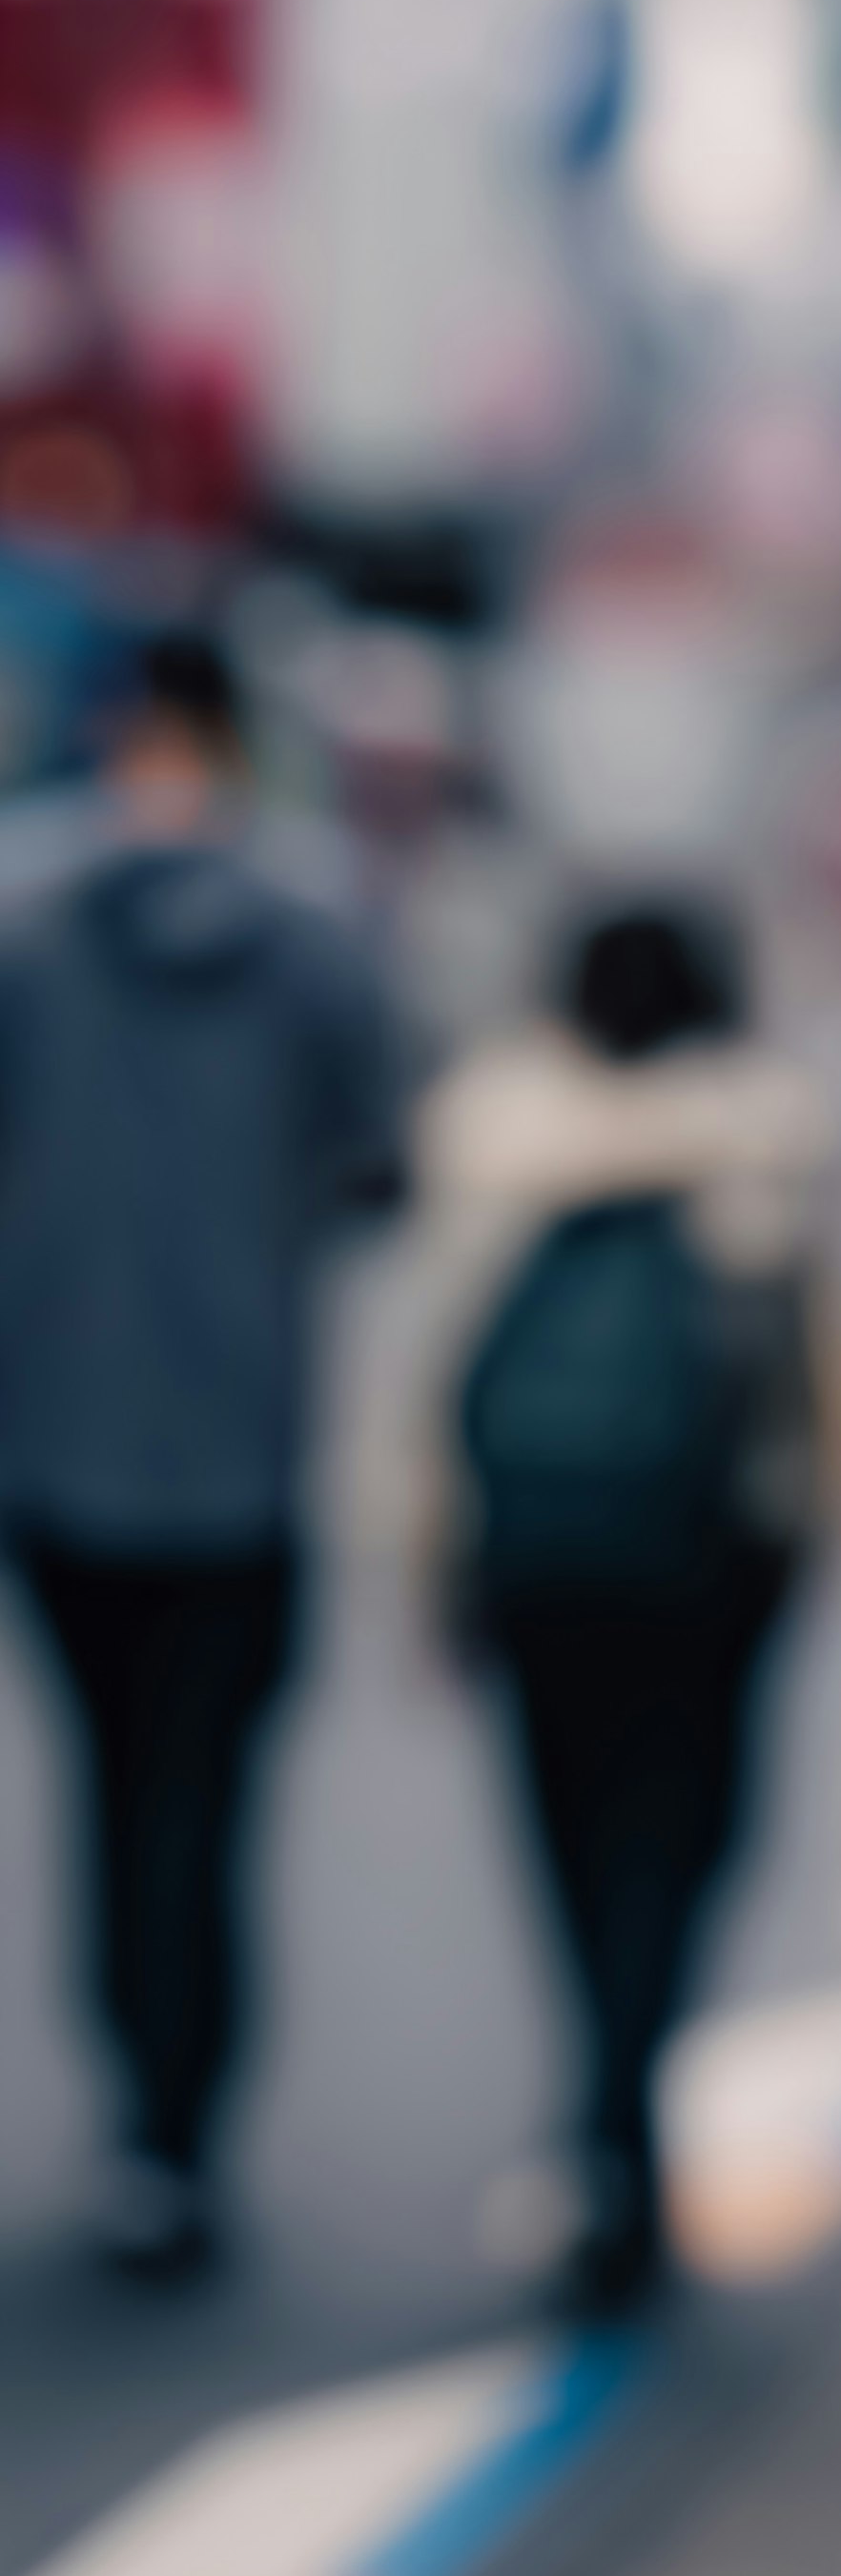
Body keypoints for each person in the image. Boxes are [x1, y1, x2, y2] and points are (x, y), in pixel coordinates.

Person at [0, 623, 403, 2280]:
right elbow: (377, 1167)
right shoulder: (322, 934)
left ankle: (134, 2114)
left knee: (103, 1786)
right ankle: (188, 2108)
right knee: (207, 1795)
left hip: (52, 1441)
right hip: (245, 1444)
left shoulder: (20, 926)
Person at [420, 898, 841, 2320]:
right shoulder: (769, 1136)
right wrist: (821, 1524)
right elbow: (830, 1373)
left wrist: (429, 1554)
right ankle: (624, 2100)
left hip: (535, 1552)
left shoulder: (495, 1134)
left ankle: (602, 2106)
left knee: (565, 1826)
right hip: (710, 1556)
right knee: (686, 1832)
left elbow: (431, 1372)